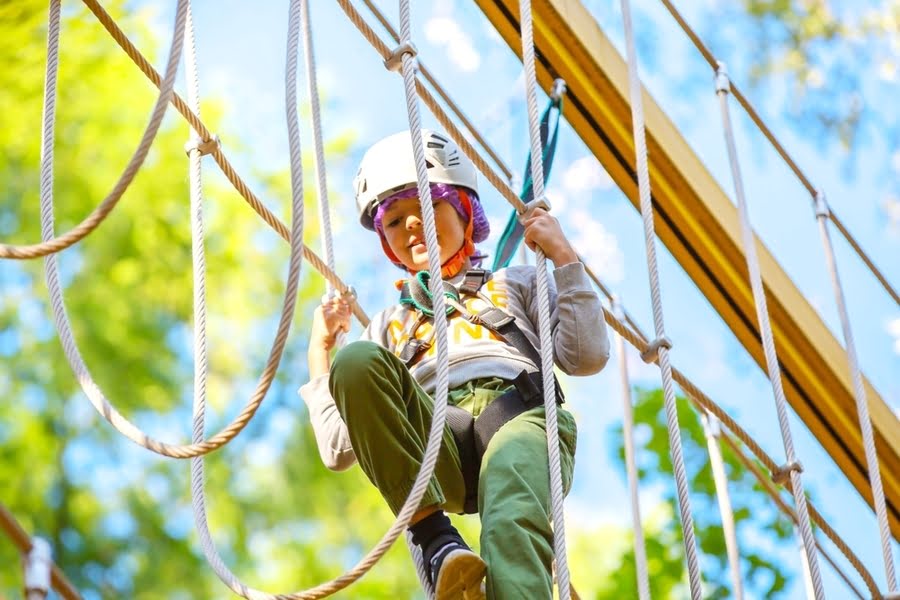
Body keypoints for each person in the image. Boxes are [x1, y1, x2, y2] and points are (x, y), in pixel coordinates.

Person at [299, 129, 609, 599]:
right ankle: (435, 540)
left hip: (520, 416)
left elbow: (586, 356)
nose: (411, 224)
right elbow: (339, 448)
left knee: (510, 515)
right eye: (394, 220)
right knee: (356, 359)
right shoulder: (388, 325)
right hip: (435, 436)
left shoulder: (513, 283)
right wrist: (320, 353)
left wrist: (564, 258)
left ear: (465, 211)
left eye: (427, 205)